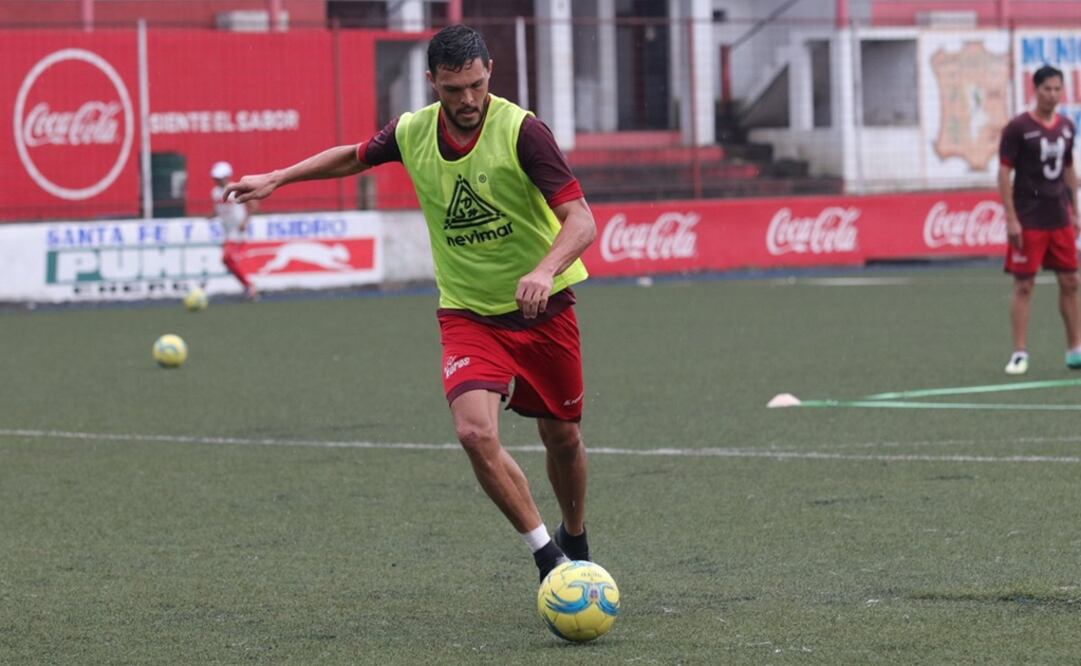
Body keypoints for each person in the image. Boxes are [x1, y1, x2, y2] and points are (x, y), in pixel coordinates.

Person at [224, 25, 597, 582]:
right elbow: (352, 157)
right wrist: (279, 177)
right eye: (452, 90)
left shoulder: (524, 132)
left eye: (474, 85)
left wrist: (544, 269)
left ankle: (575, 537)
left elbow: (582, 220)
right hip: (468, 313)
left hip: (543, 309)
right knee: (474, 433)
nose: (466, 100)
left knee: (562, 438)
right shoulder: (412, 132)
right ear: (432, 83)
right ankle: (549, 559)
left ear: (490, 72)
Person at [998, 64, 1081, 375]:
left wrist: (1075, 210)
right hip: (1029, 217)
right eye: (1047, 89)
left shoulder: (1067, 127)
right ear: (1036, 90)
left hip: (1058, 214)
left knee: (1072, 281)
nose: (1053, 94)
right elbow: (1004, 172)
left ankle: (1075, 349)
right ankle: (1020, 352)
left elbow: (1069, 169)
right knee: (1024, 284)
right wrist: (1011, 217)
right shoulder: (1018, 128)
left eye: (1058, 88)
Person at [210, 160, 259, 301]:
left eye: (219, 178)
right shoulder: (215, 192)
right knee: (229, 260)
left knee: (227, 258)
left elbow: (253, 205)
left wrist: (245, 221)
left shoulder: (235, 189)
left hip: (238, 231)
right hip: (227, 231)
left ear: (227, 176)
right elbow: (218, 210)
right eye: (216, 178)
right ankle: (249, 286)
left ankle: (250, 285)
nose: (217, 181)